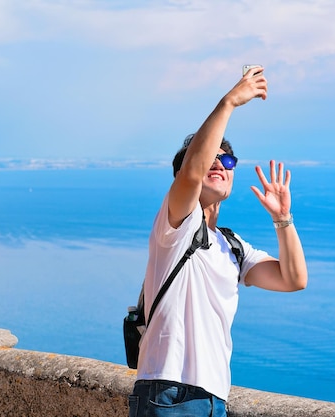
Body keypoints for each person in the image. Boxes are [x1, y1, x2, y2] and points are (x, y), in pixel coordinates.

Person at [129, 68, 308, 417]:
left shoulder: (233, 246)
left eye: (227, 161)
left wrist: (283, 219)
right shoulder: (175, 224)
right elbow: (192, 174)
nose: (219, 164)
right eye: (211, 157)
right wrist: (229, 102)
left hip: (213, 399)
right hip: (168, 391)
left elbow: (293, 279)